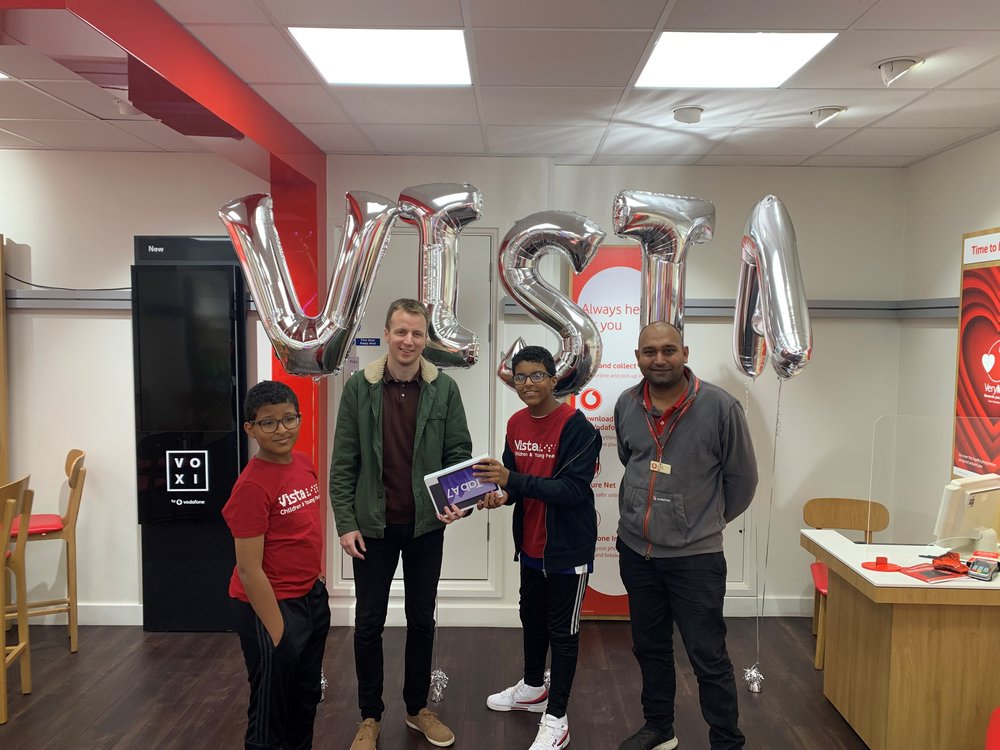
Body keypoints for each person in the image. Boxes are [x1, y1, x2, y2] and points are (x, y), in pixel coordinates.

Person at [330, 298, 472, 750]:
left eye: (416, 332)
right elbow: (343, 463)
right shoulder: (359, 387)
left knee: (421, 621)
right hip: (372, 527)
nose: (408, 340)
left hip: (426, 526)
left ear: (426, 337)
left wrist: (458, 504)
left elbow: (458, 456)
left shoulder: (445, 389)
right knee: (368, 623)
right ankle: (369, 717)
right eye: (400, 332)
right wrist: (345, 522)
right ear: (387, 334)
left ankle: (416, 709)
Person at [614, 322, 758, 750]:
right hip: (637, 553)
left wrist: (702, 522)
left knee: (707, 656)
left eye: (669, 350)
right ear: (638, 356)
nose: (660, 359)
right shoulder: (627, 404)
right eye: (650, 352)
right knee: (650, 647)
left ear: (685, 353)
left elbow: (742, 482)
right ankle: (660, 727)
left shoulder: (719, 407)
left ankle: (727, 741)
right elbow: (630, 458)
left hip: (696, 560)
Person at [473, 345, 601, 750]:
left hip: (567, 550)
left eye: (537, 376)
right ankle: (532, 687)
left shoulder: (579, 428)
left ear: (554, 378)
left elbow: (572, 490)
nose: (528, 384)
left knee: (563, 633)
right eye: (520, 376)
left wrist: (511, 479)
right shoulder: (515, 423)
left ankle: (557, 717)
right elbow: (516, 485)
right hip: (530, 545)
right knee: (531, 618)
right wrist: (500, 494)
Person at [223, 380, 331, 750]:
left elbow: (304, 530)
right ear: (250, 429)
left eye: (289, 418)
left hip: (309, 598)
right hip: (270, 607)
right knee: (271, 707)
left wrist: (316, 579)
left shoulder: (303, 463)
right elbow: (250, 570)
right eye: (268, 422)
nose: (281, 429)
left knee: (305, 698)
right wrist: (279, 632)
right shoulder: (251, 487)